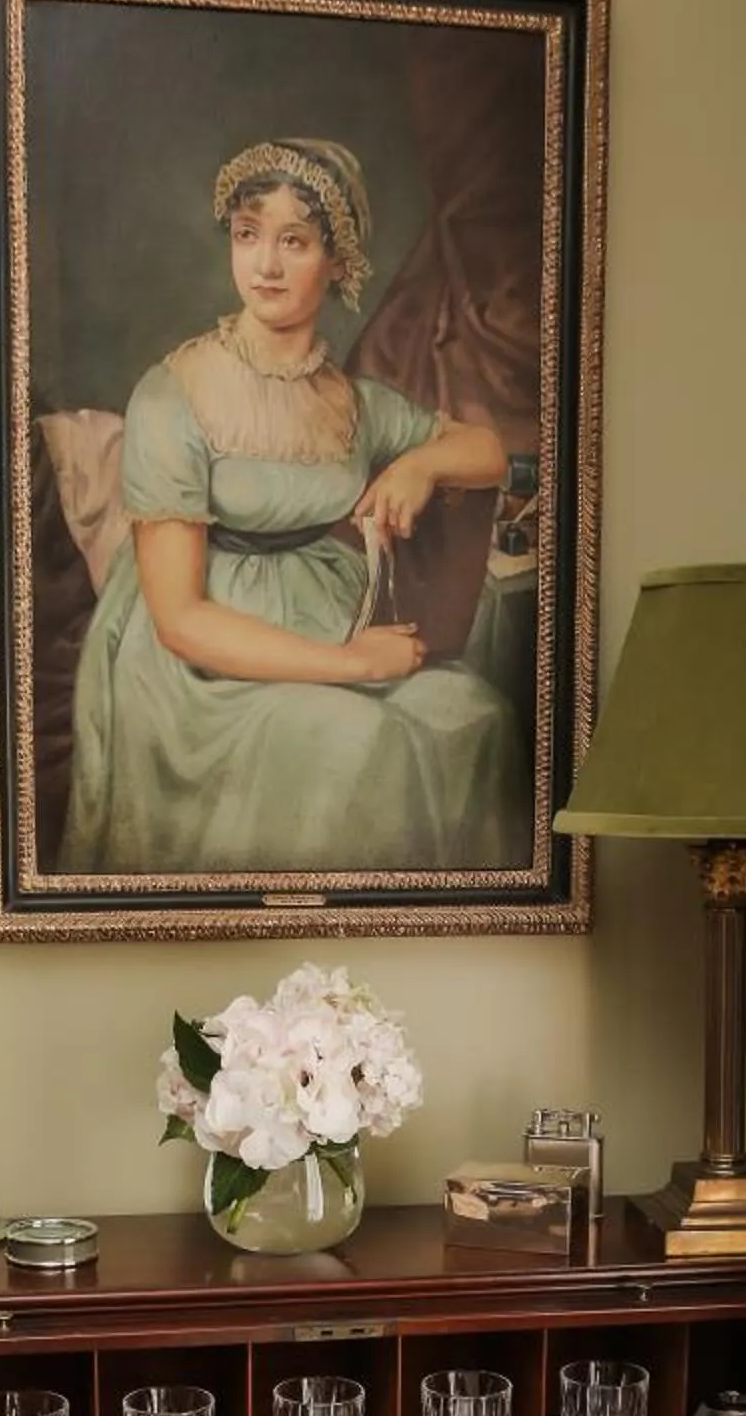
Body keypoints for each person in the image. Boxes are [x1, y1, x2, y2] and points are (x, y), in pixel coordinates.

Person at [58, 138, 528, 876]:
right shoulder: (174, 394)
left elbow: (487, 450)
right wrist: (348, 664)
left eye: (294, 241)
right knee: (353, 740)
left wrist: (421, 463)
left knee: (480, 720)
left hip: (326, 613)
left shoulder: (351, 403)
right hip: (204, 667)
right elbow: (181, 620)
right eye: (248, 235)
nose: (265, 264)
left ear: (338, 262)